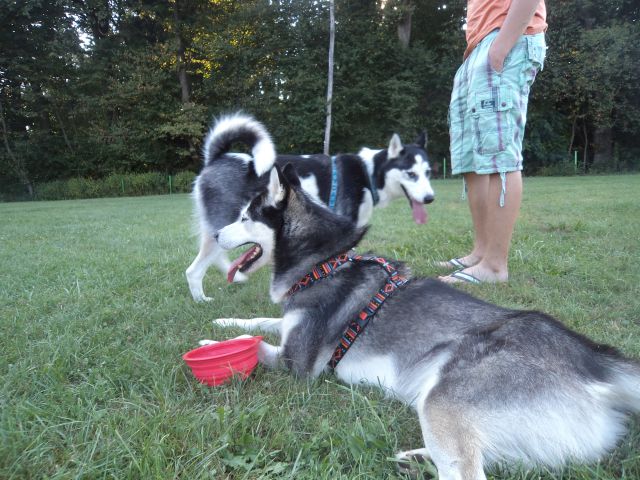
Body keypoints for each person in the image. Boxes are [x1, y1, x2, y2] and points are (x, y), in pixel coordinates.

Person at [438, 0, 547, 284]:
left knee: (498, 151)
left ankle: (495, 266)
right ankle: (481, 253)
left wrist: (503, 43)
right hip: (477, 47)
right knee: (472, 157)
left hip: (506, 37)